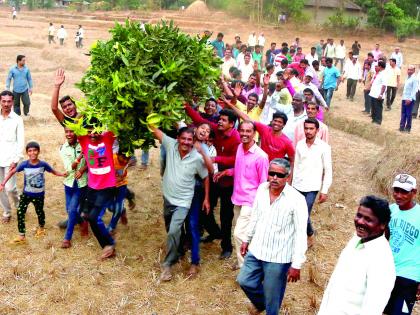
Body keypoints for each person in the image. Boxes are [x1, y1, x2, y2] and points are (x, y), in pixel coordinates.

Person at [237, 158, 308, 315]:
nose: (274, 178)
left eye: (279, 175)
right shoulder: (262, 189)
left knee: (272, 299)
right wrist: (246, 239)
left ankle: (268, 308)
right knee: (244, 280)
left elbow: (300, 233)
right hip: (256, 250)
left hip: (278, 258)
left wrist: (297, 264)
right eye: (271, 173)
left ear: (288, 177)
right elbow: (255, 216)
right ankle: (260, 303)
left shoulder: (297, 200)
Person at [149, 125, 209, 281]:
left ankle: (168, 264)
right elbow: (154, 129)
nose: (186, 142)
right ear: (178, 139)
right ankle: (178, 250)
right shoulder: (170, 145)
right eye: (183, 138)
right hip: (168, 198)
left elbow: (206, 176)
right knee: (171, 229)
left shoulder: (196, 158)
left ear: (193, 141)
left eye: (190, 139)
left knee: (174, 230)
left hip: (184, 202)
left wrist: (207, 198)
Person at [318, 195, 396, 314]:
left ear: (382, 224)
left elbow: (372, 309)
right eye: (359, 216)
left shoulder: (382, 259)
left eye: (368, 219)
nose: (360, 222)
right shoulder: (357, 239)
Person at [184, 106, 240, 259]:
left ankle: (226, 247)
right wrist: (186, 106)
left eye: (223, 120)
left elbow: (236, 159)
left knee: (226, 216)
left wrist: (216, 159)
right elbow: (200, 120)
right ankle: (215, 233)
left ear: (232, 124)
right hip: (214, 178)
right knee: (205, 210)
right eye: (219, 119)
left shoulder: (236, 138)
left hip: (228, 183)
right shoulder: (218, 130)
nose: (219, 122)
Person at [214, 121, 268, 268]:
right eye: (242, 131)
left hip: (251, 201)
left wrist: (262, 206)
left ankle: (246, 270)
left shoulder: (261, 157)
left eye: (248, 131)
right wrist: (227, 172)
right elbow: (240, 169)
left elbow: (264, 184)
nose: (244, 134)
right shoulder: (239, 148)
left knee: (238, 234)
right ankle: (245, 261)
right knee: (245, 234)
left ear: (254, 134)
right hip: (237, 197)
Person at [0, 141, 66, 244]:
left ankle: (41, 227)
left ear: (38, 151)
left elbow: (53, 171)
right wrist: (3, 183)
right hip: (26, 194)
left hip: (39, 195)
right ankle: (21, 235)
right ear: (27, 153)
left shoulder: (43, 164)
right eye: (30, 151)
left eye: (35, 150)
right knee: (20, 212)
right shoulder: (24, 164)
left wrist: (62, 174)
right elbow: (12, 172)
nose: (32, 153)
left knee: (39, 212)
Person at [78, 123, 118, 260]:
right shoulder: (83, 140)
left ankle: (109, 245)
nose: (93, 135)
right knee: (85, 215)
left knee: (94, 217)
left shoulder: (107, 138)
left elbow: (116, 120)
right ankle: (107, 243)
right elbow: (66, 119)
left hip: (107, 186)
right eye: (90, 131)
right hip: (92, 187)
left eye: (96, 131)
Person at [293, 118, 332, 247]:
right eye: (306, 128)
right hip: (297, 185)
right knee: (295, 213)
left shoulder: (324, 147)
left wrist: (324, 190)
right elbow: (296, 166)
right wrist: (291, 183)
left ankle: (308, 235)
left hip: (312, 187)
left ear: (317, 130)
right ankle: (305, 234)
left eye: (311, 129)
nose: (308, 131)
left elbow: (328, 170)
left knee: (304, 214)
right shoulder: (299, 144)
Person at [384, 174, 420, 315]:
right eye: (396, 190)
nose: (399, 195)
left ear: (414, 192)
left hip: (409, 275)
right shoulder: (390, 210)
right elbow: (385, 238)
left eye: (404, 192)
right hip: (388, 270)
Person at [59, 127, 88, 248]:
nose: (69, 134)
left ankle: (67, 238)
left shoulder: (84, 144)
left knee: (71, 210)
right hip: (69, 183)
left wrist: (82, 169)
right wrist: (79, 158)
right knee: (69, 209)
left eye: (72, 131)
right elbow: (69, 167)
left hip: (81, 185)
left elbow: (90, 162)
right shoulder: (63, 148)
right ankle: (82, 222)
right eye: (67, 132)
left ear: (77, 132)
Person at [0, 90, 24, 224]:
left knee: (10, 188)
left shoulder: (17, 119)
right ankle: (7, 212)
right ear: (0, 101)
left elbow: (20, 142)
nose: (6, 104)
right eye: (3, 101)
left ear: (13, 102)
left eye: (9, 101)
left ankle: (19, 206)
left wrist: (16, 160)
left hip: (10, 160)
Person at [399, 65, 418, 133]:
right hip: (404, 98)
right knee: (403, 113)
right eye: (408, 69)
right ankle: (401, 127)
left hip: (410, 99)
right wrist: (404, 97)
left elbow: (414, 90)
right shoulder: (407, 77)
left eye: (411, 70)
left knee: (408, 114)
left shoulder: (414, 79)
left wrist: (409, 99)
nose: (409, 71)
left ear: (414, 70)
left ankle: (408, 128)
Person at [369, 61, 387, 125]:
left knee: (378, 108)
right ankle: (374, 120)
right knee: (373, 108)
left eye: (377, 66)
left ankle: (378, 121)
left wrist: (381, 94)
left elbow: (384, 85)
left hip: (378, 95)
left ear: (380, 67)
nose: (376, 67)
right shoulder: (378, 73)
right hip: (374, 94)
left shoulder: (384, 74)